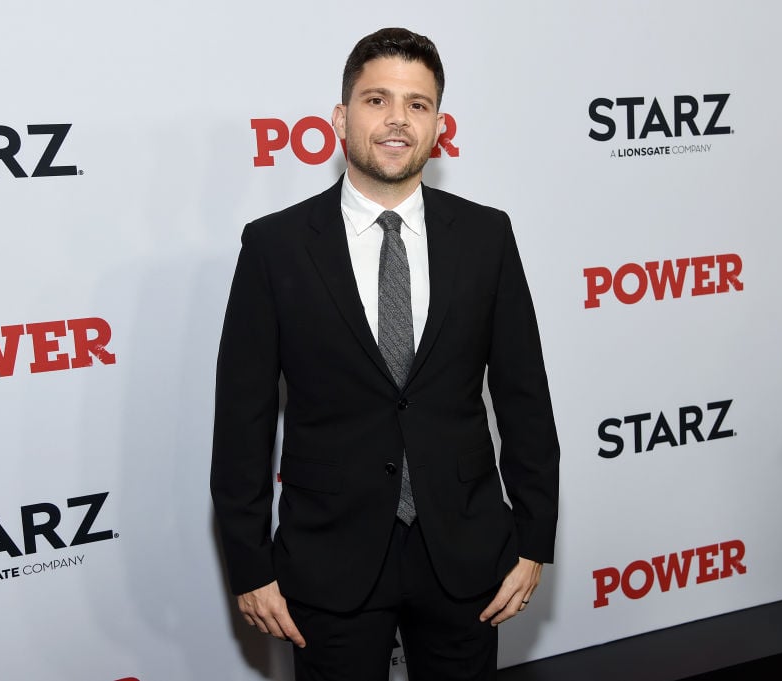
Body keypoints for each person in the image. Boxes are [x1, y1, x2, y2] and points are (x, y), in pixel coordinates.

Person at [211, 27, 560, 681]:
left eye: (417, 104)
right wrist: (250, 564)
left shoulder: (487, 235)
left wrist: (536, 538)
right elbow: (242, 419)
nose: (398, 119)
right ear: (341, 118)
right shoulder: (274, 246)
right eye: (377, 100)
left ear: (438, 126)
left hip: (464, 550)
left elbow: (525, 397)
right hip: (328, 555)